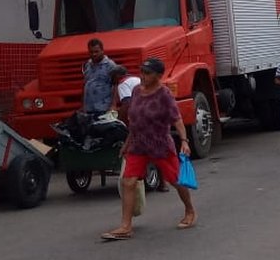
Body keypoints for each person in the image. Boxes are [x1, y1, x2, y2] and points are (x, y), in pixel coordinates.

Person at [101, 57, 196, 241]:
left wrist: (184, 141)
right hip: (138, 144)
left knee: (176, 180)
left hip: (159, 144)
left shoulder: (164, 94)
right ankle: (125, 226)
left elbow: (176, 119)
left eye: (147, 73)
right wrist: (127, 144)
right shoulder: (136, 91)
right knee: (128, 182)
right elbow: (134, 122)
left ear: (158, 76)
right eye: (141, 72)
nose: (142, 76)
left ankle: (190, 210)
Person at [82, 38, 116, 115]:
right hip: (89, 109)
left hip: (103, 109)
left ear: (102, 50)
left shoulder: (110, 65)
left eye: (96, 51)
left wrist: (113, 105)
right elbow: (85, 85)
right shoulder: (87, 65)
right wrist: (83, 106)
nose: (94, 54)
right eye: (91, 52)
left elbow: (116, 85)